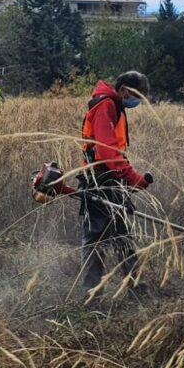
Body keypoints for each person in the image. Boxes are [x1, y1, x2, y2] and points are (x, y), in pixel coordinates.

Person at [78, 70, 154, 292]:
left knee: (123, 235)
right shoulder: (106, 106)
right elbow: (108, 151)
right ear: (123, 90)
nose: (136, 102)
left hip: (111, 180)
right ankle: (92, 294)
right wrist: (133, 178)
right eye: (136, 97)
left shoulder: (114, 105)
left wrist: (126, 177)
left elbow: (114, 152)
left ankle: (135, 287)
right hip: (99, 180)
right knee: (96, 239)